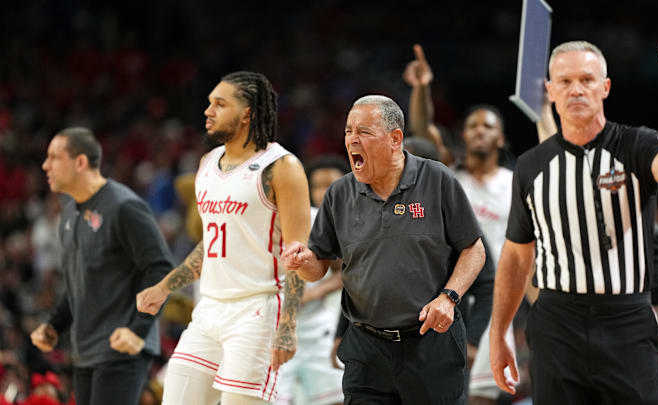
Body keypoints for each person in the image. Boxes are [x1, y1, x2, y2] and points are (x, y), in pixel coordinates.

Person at [489, 40, 658, 404]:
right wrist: (499, 334)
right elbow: (517, 256)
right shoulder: (531, 165)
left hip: (625, 320)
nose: (576, 89)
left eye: (587, 79)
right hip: (556, 321)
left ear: (606, 87)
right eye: (565, 81)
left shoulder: (636, 145)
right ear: (550, 91)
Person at [281, 95, 487, 405]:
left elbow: (474, 249)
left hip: (430, 343)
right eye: (348, 131)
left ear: (395, 138)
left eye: (363, 131)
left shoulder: (437, 179)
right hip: (367, 348)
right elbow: (319, 266)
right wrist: (303, 261)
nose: (352, 139)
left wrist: (449, 297)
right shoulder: (340, 193)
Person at [136, 71, 311, 405]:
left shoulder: (282, 166)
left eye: (220, 104)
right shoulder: (207, 164)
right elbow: (213, 245)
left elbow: (296, 254)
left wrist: (288, 326)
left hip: (256, 313)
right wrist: (165, 286)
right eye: (208, 103)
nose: (208, 111)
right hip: (208, 310)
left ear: (247, 113)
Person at [31, 127, 174, 405]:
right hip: (86, 351)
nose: (45, 165)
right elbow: (77, 283)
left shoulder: (124, 206)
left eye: (54, 157)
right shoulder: (69, 214)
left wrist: (138, 329)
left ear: (80, 162)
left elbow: (161, 268)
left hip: (122, 350)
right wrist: (54, 326)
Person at [403, 44, 511, 405]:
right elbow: (422, 132)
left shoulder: (515, 184)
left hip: (493, 301)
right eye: (472, 125)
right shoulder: (450, 176)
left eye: (488, 126)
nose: (479, 131)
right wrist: (421, 88)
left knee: (483, 397)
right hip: (450, 299)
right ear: (462, 136)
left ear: (501, 138)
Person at [274, 156, 348, 405]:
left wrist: (315, 292)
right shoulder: (258, 221)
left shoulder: (318, 218)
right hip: (273, 328)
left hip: (316, 326)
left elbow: (346, 270)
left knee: (335, 399)